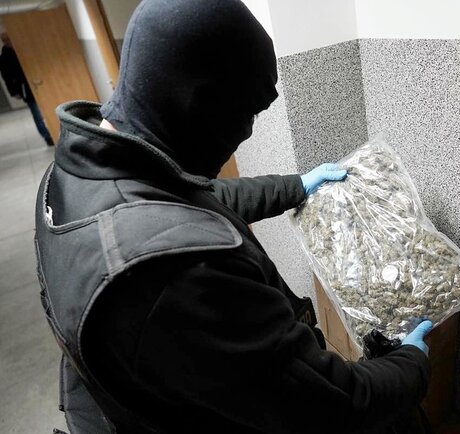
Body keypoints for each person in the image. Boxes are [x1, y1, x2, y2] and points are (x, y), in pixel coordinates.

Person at [34, 1, 434, 433]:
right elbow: (328, 405)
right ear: (199, 101)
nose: (247, 132)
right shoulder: (178, 271)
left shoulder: (77, 173)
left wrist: (297, 186)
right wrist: (411, 362)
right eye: (248, 114)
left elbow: (194, 200)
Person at [0, 32, 54, 146]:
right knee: (37, 115)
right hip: (25, 89)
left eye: (10, 39)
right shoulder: (4, 58)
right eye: (6, 40)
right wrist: (14, 92)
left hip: (39, 83)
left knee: (50, 109)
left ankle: (56, 131)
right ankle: (47, 136)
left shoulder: (24, 50)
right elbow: (7, 78)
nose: (9, 42)